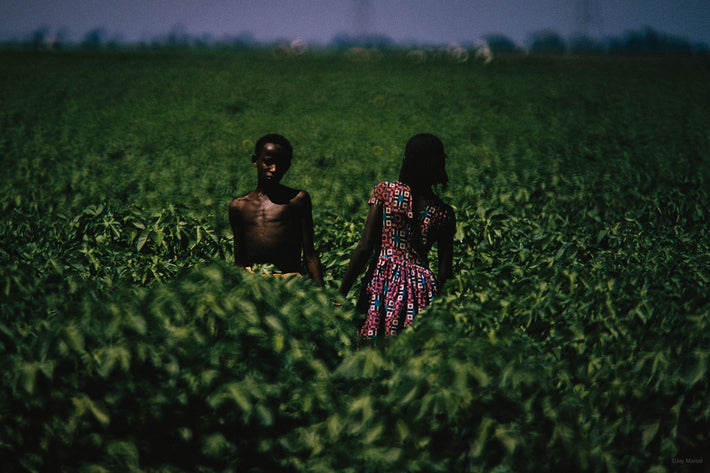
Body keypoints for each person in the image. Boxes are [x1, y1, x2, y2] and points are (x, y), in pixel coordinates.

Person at [339, 133, 455, 338]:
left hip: (384, 279)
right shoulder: (445, 212)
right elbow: (445, 273)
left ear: (405, 160)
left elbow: (365, 247)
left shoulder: (386, 191)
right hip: (422, 287)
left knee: (372, 343)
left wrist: (340, 294)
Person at [229, 134, 324, 286]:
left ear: (288, 165)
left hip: (290, 283)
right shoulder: (239, 207)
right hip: (255, 283)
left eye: (281, 164)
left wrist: (321, 297)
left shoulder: (298, 200)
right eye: (268, 162)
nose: (274, 169)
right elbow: (239, 263)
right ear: (255, 161)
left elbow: (310, 256)